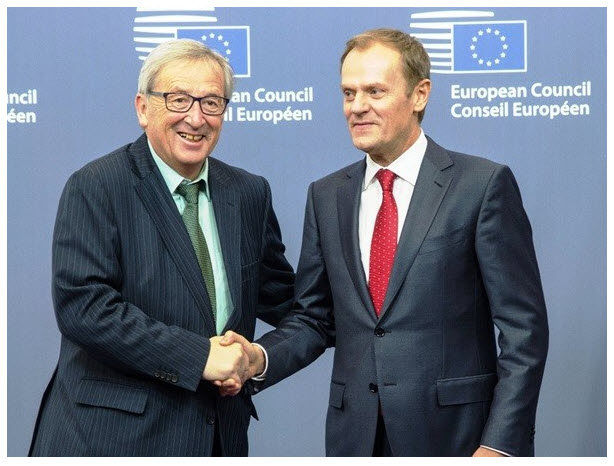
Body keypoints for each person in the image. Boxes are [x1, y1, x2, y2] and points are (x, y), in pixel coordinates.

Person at [222, 28, 549, 456]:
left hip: (458, 438)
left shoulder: (481, 185)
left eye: (374, 91)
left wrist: (499, 445)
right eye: (348, 93)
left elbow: (524, 331)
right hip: (355, 438)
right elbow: (313, 318)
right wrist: (257, 359)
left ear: (420, 94)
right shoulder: (326, 195)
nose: (357, 106)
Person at [28, 39, 294, 456]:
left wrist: (256, 358)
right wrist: (199, 357)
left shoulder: (248, 193)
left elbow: (290, 303)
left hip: (217, 439)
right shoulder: (97, 186)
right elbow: (85, 307)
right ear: (143, 108)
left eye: (211, 102)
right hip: (110, 441)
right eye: (178, 99)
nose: (196, 117)